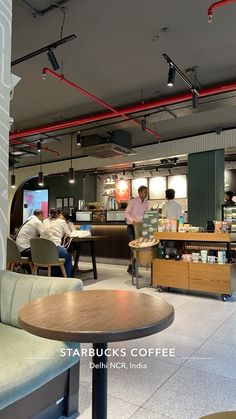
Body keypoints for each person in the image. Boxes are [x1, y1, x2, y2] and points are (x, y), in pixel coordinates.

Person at [40, 208, 73, 277]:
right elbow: (69, 234)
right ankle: (67, 278)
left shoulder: (45, 221)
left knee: (55, 257)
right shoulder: (61, 222)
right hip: (54, 248)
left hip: (42, 249)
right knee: (68, 256)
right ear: (59, 214)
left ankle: (55, 275)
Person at [125, 185, 148, 275]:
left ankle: (131, 267)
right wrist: (132, 221)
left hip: (140, 227)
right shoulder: (133, 201)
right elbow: (126, 213)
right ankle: (133, 268)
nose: (146, 194)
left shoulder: (146, 202)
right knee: (133, 248)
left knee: (138, 248)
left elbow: (146, 214)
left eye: (146, 192)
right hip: (131, 227)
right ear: (139, 192)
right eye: (144, 192)